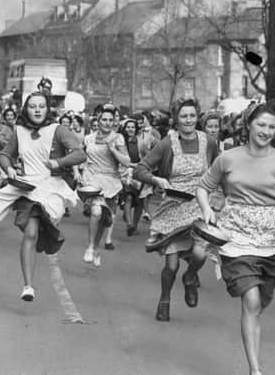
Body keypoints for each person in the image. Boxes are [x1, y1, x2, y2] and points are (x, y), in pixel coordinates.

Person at [196, 104, 275, 375]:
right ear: (249, 125)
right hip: (235, 237)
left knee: (260, 301)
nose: (266, 131)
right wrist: (208, 209)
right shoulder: (228, 158)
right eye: (261, 125)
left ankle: (251, 327)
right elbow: (203, 188)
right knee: (252, 300)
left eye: (271, 127)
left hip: (270, 240)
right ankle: (255, 370)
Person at [0, 91, 85, 300]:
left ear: (47, 109)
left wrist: (59, 163)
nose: (37, 110)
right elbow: (6, 156)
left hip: (52, 190)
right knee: (31, 233)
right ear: (26, 109)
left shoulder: (58, 130)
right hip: (28, 188)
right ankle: (28, 286)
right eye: (32, 106)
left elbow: (80, 154)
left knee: (42, 229)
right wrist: (8, 169)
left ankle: (47, 233)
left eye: (41, 106)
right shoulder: (19, 131)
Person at [133, 99, 219, 322]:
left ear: (197, 117)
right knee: (171, 265)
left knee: (200, 253)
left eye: (192, 115)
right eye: (184, 116)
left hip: (199, 205)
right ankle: (165, 299)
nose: (188, 120)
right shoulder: (166, 144)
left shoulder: (208, 141)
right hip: (173, 206)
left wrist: (228, 196)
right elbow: (140, 169)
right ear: (176, 119)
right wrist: (157, 179)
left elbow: (220, 170)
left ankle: (190, 278)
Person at [78, 104, 130, 264]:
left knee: (103, 217)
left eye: (110, 120)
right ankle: (90, 248)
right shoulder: (89, 138)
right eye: (104, 120)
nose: (107, 123)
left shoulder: (118, 138)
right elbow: (79, 155)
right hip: (92, 179)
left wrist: (113, 150)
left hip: (110, 181)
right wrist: (77, 171)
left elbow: (127, 161)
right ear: (98, 121)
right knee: (96, 211)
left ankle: (96, 247)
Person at [119, 118, 143, 236]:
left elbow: (147, 154)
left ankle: (135, 225)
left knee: (139, 200)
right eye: (128, 127)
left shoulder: (141, 141)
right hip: (124, 172)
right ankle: (129, 223)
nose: (130, 129)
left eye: (133, 127)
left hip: (139, 173)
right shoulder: (120, 141)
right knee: (128, 196)